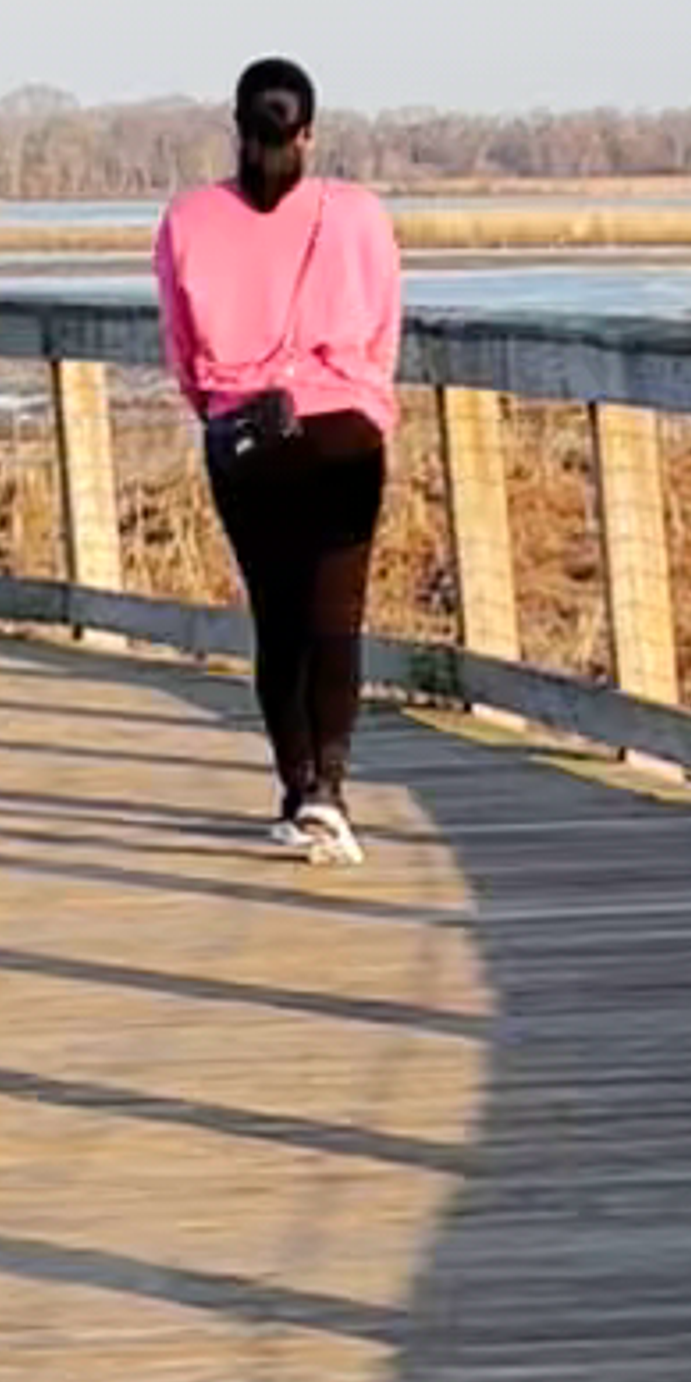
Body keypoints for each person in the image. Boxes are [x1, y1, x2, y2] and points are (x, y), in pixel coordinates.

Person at [154, 61, 405, 864]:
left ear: (236, 126)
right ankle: (330, 786)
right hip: (343, 431)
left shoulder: (187, 219)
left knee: (277, 618)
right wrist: (364, 398)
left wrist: (220, 408)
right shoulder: (358, 213)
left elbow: (183, 350)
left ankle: (295, 786)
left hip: (245, 437)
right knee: (337, 617)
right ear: (308, 132)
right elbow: (384, 330)